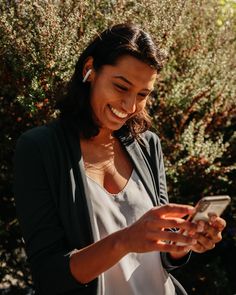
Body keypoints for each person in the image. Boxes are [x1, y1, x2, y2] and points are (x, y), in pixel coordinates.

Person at [14, 23, 226, 295]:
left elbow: (161, 253)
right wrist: (125, 240)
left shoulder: (147, 144)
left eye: (142, 94)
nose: (129, 106)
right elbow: (49, 275)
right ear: (89, 69)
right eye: (121, 86)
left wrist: (185, 241)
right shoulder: (38, 148)